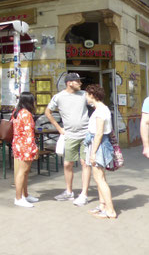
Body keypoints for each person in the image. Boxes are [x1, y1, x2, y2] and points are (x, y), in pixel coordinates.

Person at [45, 72, 91, 206]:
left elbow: (96, 105)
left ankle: (84, 194)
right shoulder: (59, 97)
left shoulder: (84, 95)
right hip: (70, 135)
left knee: (85, 163)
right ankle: (69, 191)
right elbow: (48, 112)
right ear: (69, 82)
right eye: (78, 81)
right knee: (67, 164)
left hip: (85, 134)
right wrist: (59, 128)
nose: (80, 83)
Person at [83, 84, 117, 219]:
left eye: (86, 94)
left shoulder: (100, 111)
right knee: (99, 179)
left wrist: (93, 153)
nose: (85, 97)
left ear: (92, 95)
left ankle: (110, 210)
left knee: (100, 179)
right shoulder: (101, 109)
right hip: (99, 145)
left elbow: (99, 133)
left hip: (99, 146)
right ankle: (103, 205)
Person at [12, 92, 39, 208]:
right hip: (26, 145)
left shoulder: (16, 112)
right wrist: (35, 148)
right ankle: (18, 197)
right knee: (23, 172)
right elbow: (29, 134)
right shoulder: (26, 114)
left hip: (18, 144)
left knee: (25, 171)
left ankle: (25, 194)